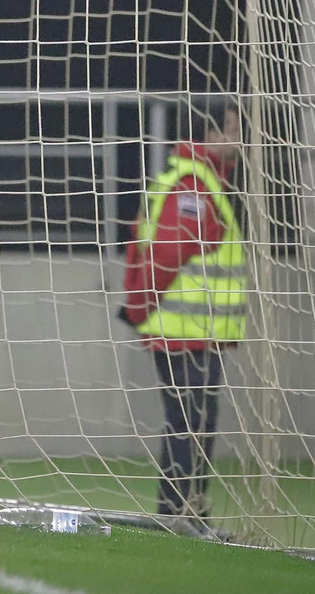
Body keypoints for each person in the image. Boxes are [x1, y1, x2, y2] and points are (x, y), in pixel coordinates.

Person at [118, 99, 245, 540]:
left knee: (198, 421)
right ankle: (176, 514)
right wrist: (140, 310)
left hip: (195, 333)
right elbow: (168, 254)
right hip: (182, 332)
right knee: (188, 421)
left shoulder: (201, 180)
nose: (239, 139)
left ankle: (189, 513)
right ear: (210, 134)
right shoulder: (192, 184)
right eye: (231, 129)